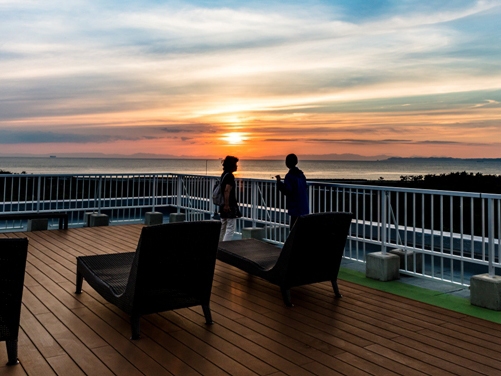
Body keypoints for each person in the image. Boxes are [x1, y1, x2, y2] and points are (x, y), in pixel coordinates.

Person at [275, 153, 309, 228]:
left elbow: (288, 190)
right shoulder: (301, 175)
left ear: (287, 163)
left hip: (295, 207)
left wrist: (279, 183)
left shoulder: (289, 176)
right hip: (303, 206)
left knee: (294, 230)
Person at [219, 155, 241, 241]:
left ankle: (219, 246)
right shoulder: (230, 176)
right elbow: (227, 190)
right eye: (235, 164)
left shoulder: (224, 175)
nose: (237, 166)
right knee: (230, 228)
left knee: (223, 227)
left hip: (222, 204)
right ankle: (225, 246)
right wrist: (227, 205)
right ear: (231, 165)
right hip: (229, 204)